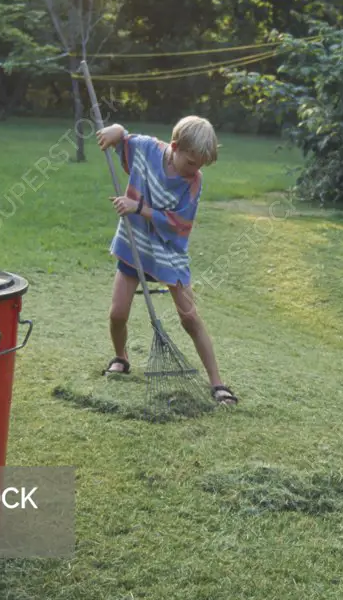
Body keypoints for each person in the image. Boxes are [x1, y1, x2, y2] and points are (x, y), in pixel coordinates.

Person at [94, 116, 239, 406]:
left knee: (189, 317)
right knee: (117, 313)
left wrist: (139, 208)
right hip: (134, 242)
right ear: (174, 147)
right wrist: (116, 130)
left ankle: (218, 384)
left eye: (200, 165)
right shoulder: (147, 150)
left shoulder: (193, 183)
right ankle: (121, 358)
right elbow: (125, 139)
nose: (195, 170)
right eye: (191, 162)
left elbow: (179, 224)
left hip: (168, 250)